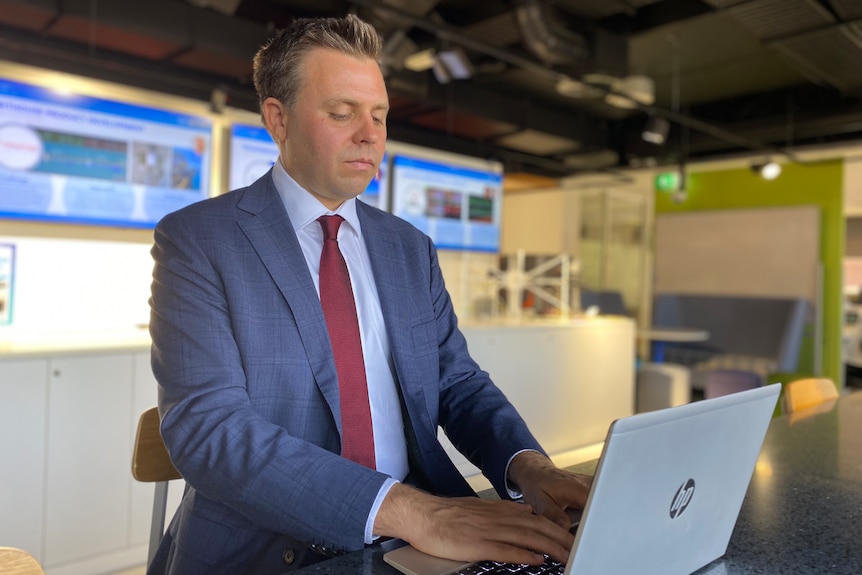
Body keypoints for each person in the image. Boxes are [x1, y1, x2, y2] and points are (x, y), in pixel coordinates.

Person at [148, 13, 591, 575]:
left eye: (379, 115)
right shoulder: (201, 240)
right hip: (272, 546)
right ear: (277, 119)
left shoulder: (409, 248)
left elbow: (456, 381)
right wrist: (411, 512)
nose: (370, 133)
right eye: (342, 113)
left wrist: (528, 466)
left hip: (418, 539)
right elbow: (208, 429)